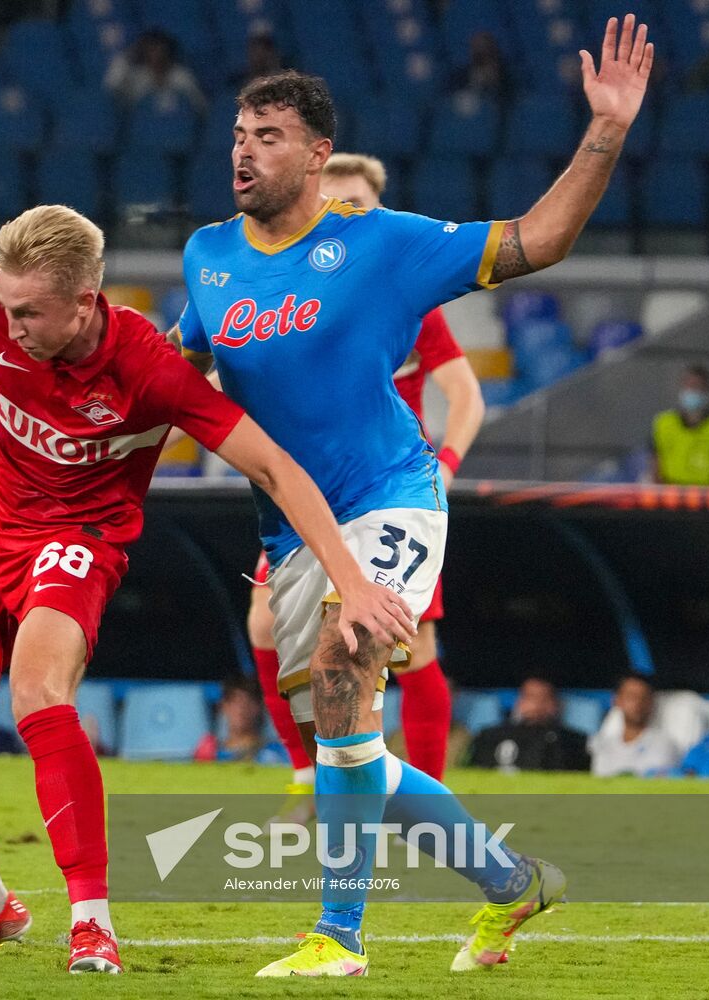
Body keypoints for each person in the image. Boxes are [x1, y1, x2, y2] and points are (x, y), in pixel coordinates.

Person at [0, 204, 414, 975]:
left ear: (85, 302)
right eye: (5, 307)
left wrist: (352, 581)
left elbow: (273, 465)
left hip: (80, 539)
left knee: (37, 692)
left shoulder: (150, 370)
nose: (9, 327)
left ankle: (91, 921)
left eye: (29, 313)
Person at [169, 13, 653, 976]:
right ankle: (515, 885)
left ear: (318, 155)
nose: (244, 151)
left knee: (352, 667)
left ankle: (336, 937)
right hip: (290, 528)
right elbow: (179, 370)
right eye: (237, 134)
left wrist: (606, 129)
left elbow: (541, 238)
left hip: (390, 496)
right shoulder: (207, 256)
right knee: (359, 761)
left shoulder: (384, 245)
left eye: (268, 137)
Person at [248, 151, 486, 795]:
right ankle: (309, 778)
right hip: (311, 489)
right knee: (265, 623)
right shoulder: (291, 294)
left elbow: (465, 394)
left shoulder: (407, 299)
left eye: (361, 204)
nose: (349, 214)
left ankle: (428, 796)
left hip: (389, 490)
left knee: (410, 645)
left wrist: (449, 463)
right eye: (338, 203)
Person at [470, 677, 593, 772]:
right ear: (519, 702)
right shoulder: (491, 736)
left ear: (555, 705)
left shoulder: (573, 741)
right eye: (530, 697)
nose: (536, 705)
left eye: (543, 699)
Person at [651, 365, 709, 486]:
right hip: (670, 496)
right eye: (690, 386)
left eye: (698, 387)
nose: (693, 391)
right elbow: (655, 465)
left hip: (706, 497)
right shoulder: (663, 423)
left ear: (708, 390)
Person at [588, 673, 682, 777]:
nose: (638, 703)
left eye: (644, 697)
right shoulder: (603, 746)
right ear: (617, 700)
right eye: (631, 697)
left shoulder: (664, 745)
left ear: (651, 703)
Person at [103, 28, 207, 115]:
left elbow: (200, 107)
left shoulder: (182, 76)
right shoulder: (138, 77)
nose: (156, 55)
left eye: (159, 49)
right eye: (151, 49)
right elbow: (113, 89)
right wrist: (127, 58)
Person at [194, 675, 287, 764]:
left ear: (259, 707)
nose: (241, 709)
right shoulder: (209, 753)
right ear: (223, 705)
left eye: (248, 702)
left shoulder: (273, 752)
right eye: (234, 701)